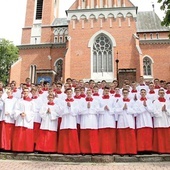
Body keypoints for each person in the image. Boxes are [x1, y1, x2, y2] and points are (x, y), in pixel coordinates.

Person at [12, 87, 35, 152]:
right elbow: (15, 109)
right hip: (20, 119)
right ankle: (18, 148)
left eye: (27, 91)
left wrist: (26, 114)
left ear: (29, 93)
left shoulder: (32, 102)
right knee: (19, 134)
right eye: (24, 91)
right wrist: (20, 113)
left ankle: (27, 149)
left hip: (27, 120)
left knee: (27, 135)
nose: (25, 92)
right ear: (22, 92)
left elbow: (33, 111)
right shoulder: (19, 101)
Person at [58, 88, 80, 154]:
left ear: (72, 93)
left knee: (72, 135)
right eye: (68, 92)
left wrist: (70, 107)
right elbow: (60, 111)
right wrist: (67, 109)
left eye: (70, 92)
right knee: (64, 136)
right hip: (65, 120)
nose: (69, 94)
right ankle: (64, 150)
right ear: (66, 93)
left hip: (72, 120)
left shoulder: (75, 102)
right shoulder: (62, 102)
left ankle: (73, 150)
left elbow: (76, 112)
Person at [115, 89, 137, 155]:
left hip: (129, 120)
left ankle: (131, 151)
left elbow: (135, 111)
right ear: (122, 93)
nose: (125, 94)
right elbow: (115, 110)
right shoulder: (119, 101)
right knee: (122, 137)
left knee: (130, 137)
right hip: (121, 120)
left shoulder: (132, 102)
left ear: (128, 93)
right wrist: (122, 108)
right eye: (124, 93)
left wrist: (127, 108)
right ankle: (122, 151)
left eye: (126, 93)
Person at [79, 89, 99, 154]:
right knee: (84, 136)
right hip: (84, 119)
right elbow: (79, 111)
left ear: (92, 93)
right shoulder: (82, 101)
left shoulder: (95, 101)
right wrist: (87, 108)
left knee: (93, 136)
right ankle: (84, 151)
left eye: (90, 92)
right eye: (87, 92)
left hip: (92, 119)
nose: (88, 93)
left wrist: (90, 109)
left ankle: (94, 150)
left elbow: (98, 110)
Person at [98, 86, 116, 154]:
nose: (106, 92)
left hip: (110, 118)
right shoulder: (99, 99)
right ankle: (102, 150)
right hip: (102, 119)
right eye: (105, 91)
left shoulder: (113, 99)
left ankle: (112, 150)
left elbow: (115, 108)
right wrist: (103, 108)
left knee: (110, 136)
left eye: (107, 91)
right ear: (103, 91)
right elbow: (96, 109)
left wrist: (110, 109)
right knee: (103, 136)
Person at [152, 89, 170, 153]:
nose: (162, 94)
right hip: (159, 120)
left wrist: (166, 110)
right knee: (159, 137)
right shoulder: (155, 102)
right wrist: (161, 110)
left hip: (166, 120)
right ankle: (159, 150)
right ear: (158, 94)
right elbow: (153, 112)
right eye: (160, 93)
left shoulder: (168, 102)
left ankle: (167, 149)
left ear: (164, 94)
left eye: (163, 93)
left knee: (167, 136)